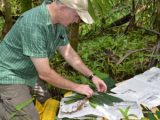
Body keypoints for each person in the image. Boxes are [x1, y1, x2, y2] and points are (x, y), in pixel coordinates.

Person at [0, 0, 107, 119]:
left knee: (49, 104)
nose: (77, 20)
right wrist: (77, 87)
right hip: (9, 73)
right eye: (76, 15)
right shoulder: (33, 24)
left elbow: (68, 52)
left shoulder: (57, 23)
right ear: (63, 7)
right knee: (29, 117)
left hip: (29, 73)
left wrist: (92, 76)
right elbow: (45, 74)